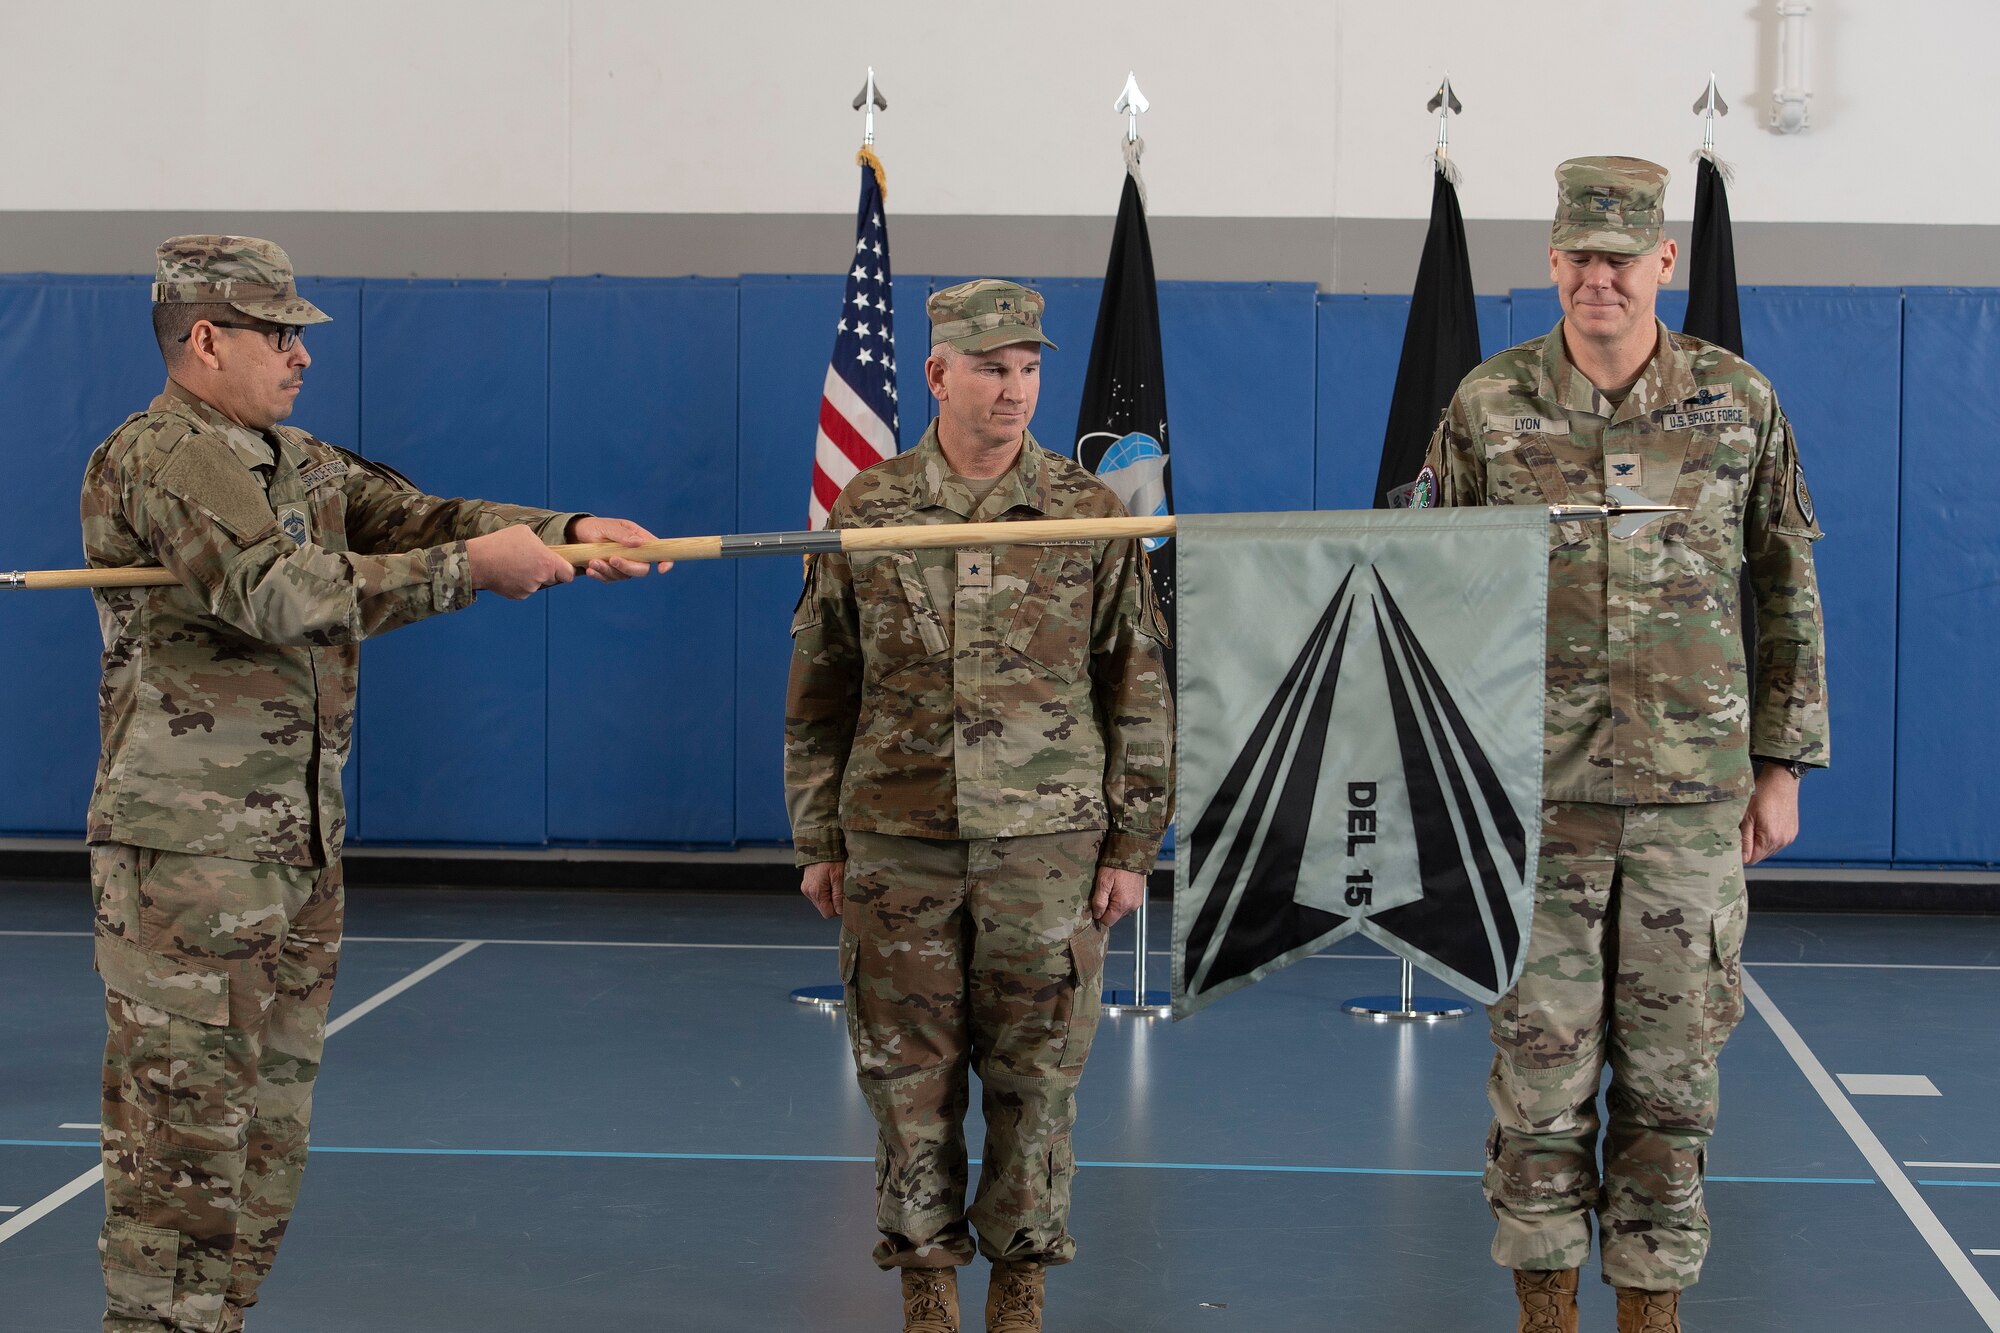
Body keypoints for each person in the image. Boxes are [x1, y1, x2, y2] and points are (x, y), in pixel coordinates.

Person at [79, 234, 669, 1333]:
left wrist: (565, 533)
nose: (301, 355)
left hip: (296, 845)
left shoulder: (295, 460)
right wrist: (471, 575)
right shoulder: (166, 455)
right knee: (184, 1139)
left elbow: (425, 518)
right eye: (280, 334)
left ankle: (219, 1318)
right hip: (190, 862)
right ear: (205, 339)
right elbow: (274, 589)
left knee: (264, 1139)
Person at [1413, 159, 1829, 1333]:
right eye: (1576, 256)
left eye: (1619, 256)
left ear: (1661, 263)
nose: (1597, 277)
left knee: (1671, 1081)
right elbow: (1427, 590)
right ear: (1550, 262)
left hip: (1690, 799)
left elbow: (1784, 580)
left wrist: (1780, 762)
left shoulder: (1734, 401)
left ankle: (1649, 1318)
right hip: (1530, 797)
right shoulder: (1485, 406)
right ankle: (1545, 1317)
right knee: (1537, 1080)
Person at [785, 279, 1173, 1333]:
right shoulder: (869, 509)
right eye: (991, 366)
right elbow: (820, 683)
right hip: (895, 843)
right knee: (905, 1081)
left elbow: (1134, 680)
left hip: (1046, 848)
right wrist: (817, 834)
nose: (1013, 389)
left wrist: (1132, 839)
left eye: (1027, 366)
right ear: (937, 373)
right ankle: (925, 1293)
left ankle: (1018, 1287)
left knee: (1034, 1080)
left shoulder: (1086, 511)